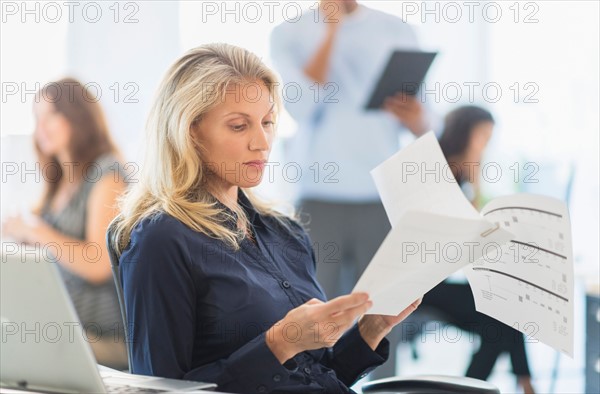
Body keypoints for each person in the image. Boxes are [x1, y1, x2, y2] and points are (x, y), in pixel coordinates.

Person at [110, 43, 422, 394]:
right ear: (190, 130)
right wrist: (280, 343)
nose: (262, 142)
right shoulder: (162, 239)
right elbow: (162, 389)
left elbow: (314, 374)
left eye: (268, 122)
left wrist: (371, 329)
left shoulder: (284, 232)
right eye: (239, 126)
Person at [270, 0, 436, 378]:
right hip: (317, 194)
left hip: (381, 195)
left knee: (384, 312)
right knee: (314, 311)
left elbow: (428, 121)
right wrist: (331, 30)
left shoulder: (396, 29)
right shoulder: (288, 33)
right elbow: (302, 107)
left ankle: (385, 388)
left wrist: (416, 117)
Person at [2, 78, 128, 369]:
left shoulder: (107, 174)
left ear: (78, 117)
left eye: (51, 115)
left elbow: (98, 264)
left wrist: (37, 233)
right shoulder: (57, 183)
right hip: (64, 331)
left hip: (101, 336)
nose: (40, 128)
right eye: (37, 118)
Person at [420, 106, 535, 394]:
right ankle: (518, 384)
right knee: (503, 317)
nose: (486, 144)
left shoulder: (461, 177)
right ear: (465, 134)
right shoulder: (437, 174)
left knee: (507, 308)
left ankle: (519, 383)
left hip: (441, 280)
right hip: (421, 285)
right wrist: (475, 178)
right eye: (483, 135)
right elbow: (459, 236)